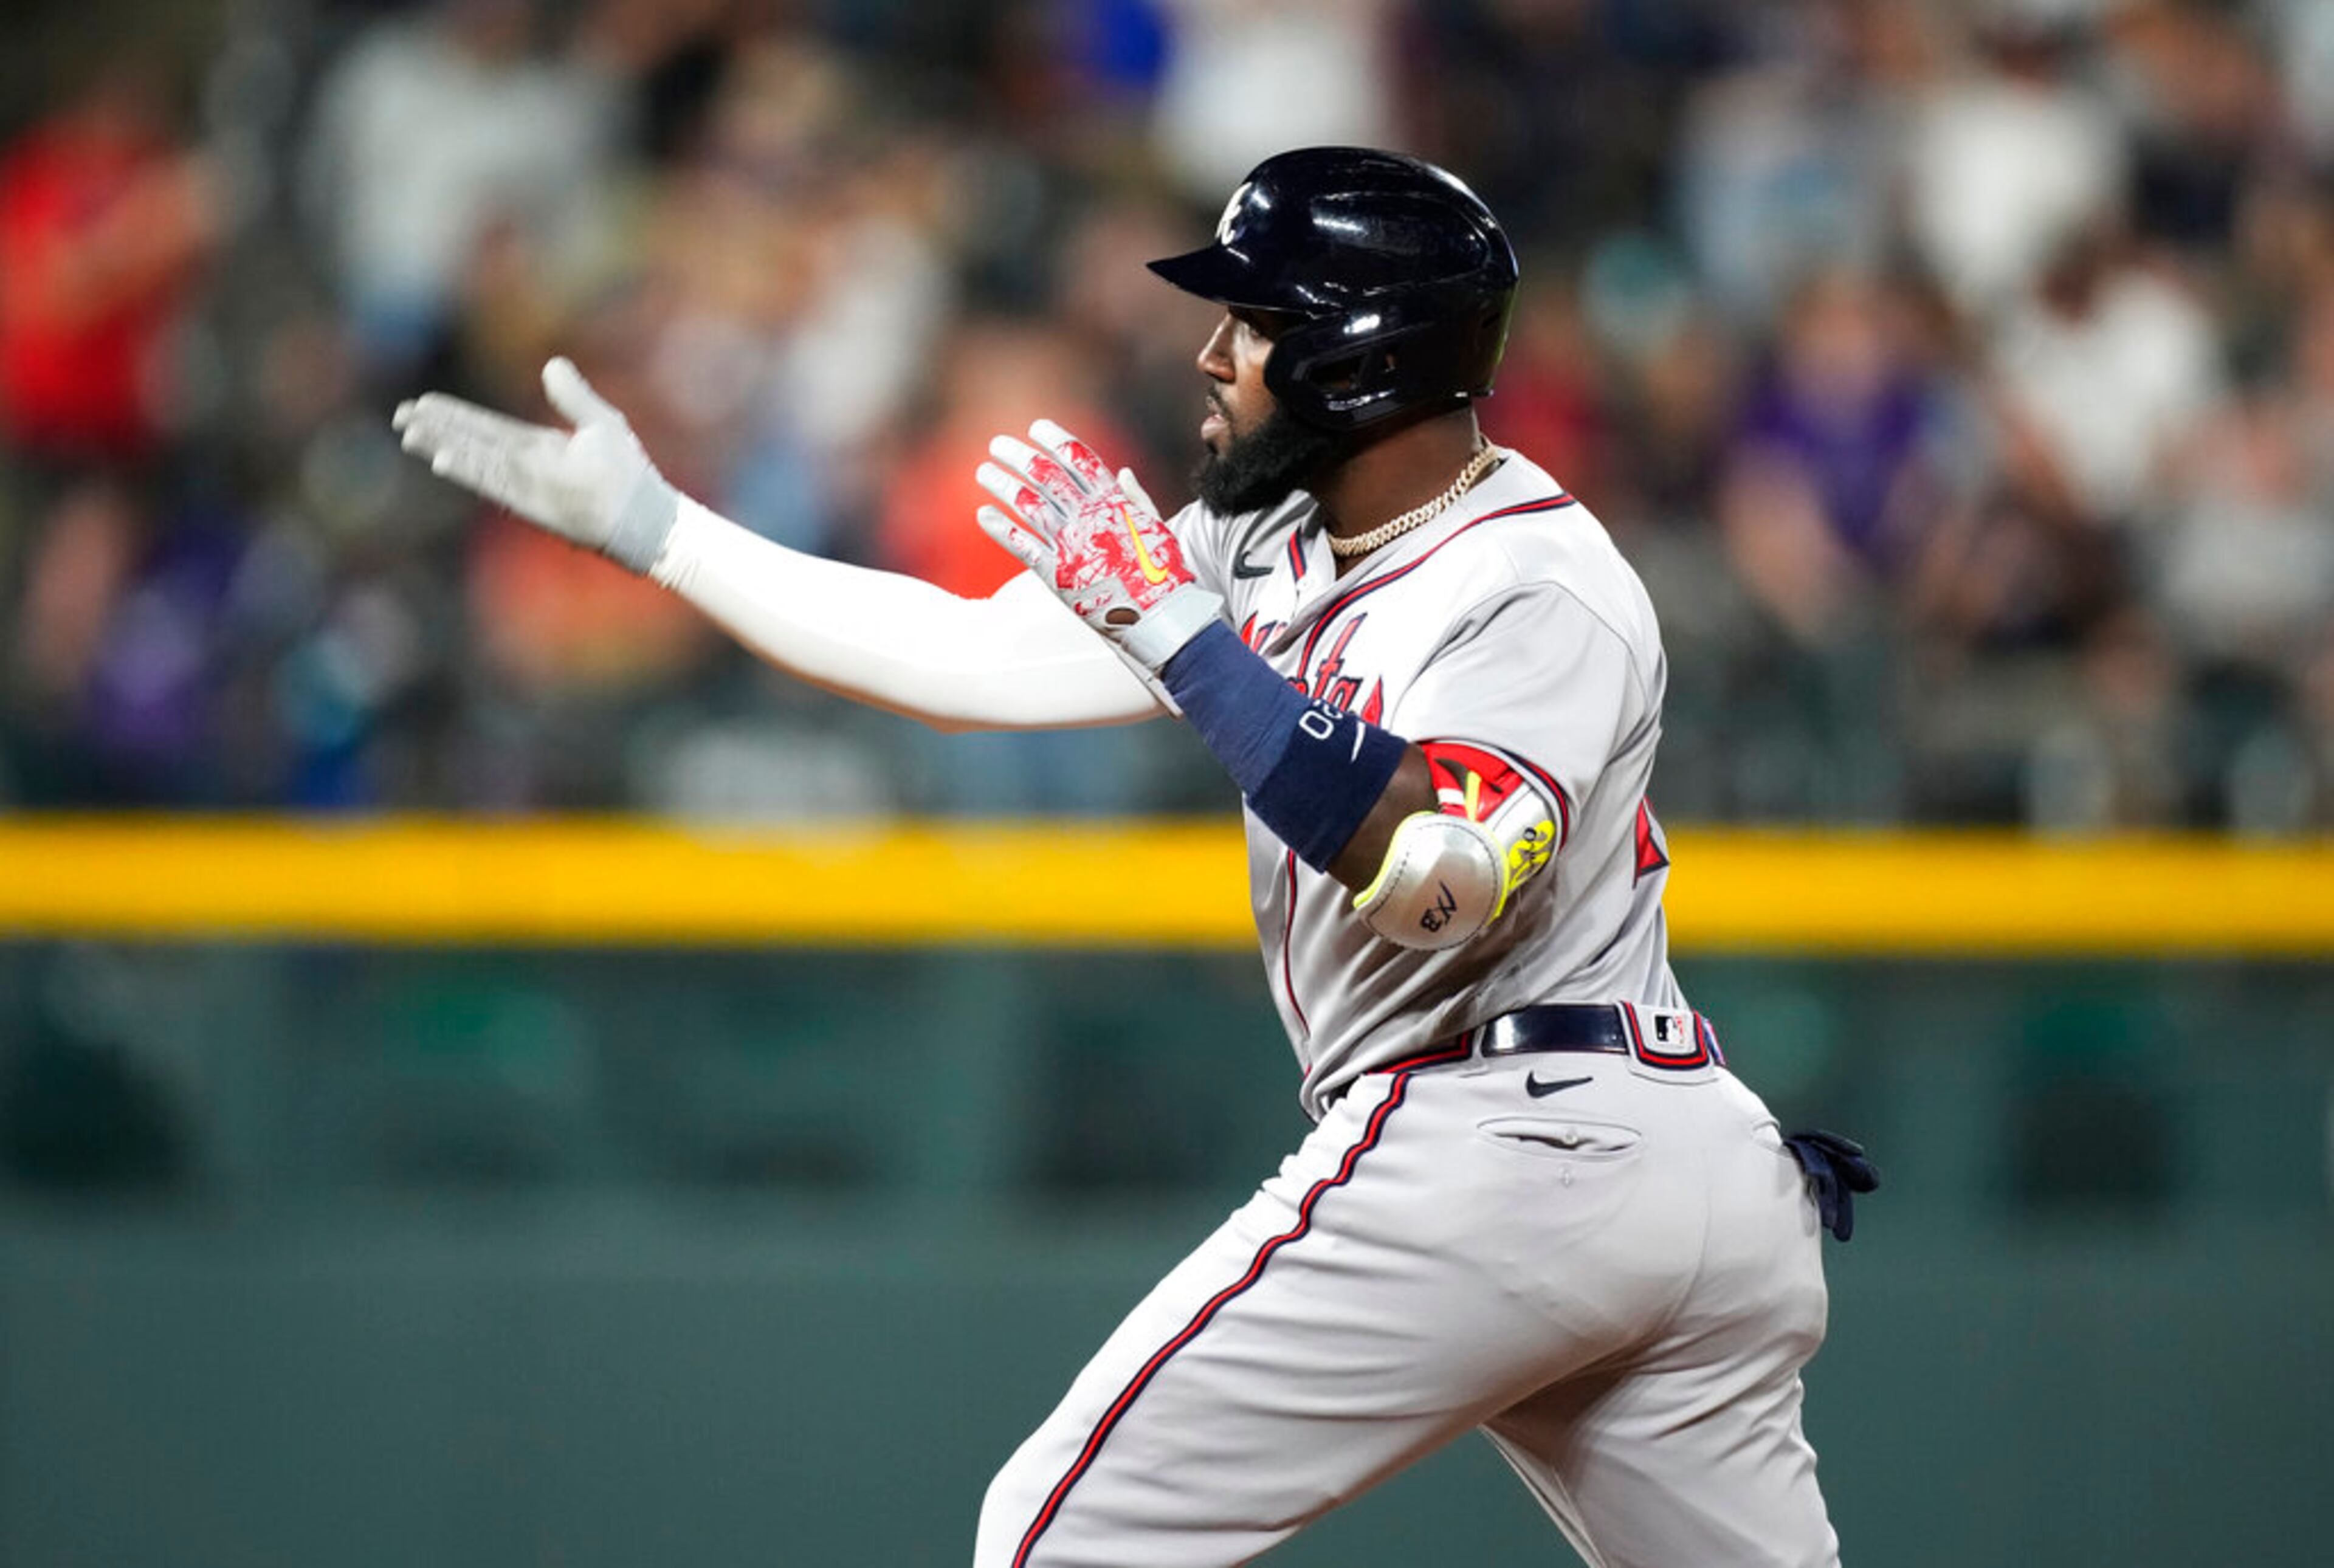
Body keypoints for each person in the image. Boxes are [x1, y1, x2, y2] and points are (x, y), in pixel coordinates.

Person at [394, 145, 1876, 1568]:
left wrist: (1176, 630)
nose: (1211, 353)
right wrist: (664, 534)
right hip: (1645, 1157)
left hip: (1518, 1136)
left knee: (1054, 1535)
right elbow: (972, 660)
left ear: (1362, 356)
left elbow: (1441, 881)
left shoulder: (1539, 583)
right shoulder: (1273, 540)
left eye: (1253, 320)